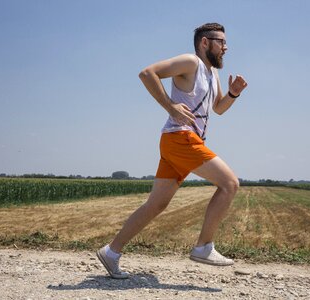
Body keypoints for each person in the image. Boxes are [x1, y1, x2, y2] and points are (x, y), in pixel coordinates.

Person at [97, 22, 248, 279]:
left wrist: (233, 94)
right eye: (221, 42)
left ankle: (111, 252)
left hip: (177, 142)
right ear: (204, 42)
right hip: (181, 138)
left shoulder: (213, 74)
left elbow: (219, 108)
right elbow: (147, 73)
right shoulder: (191, 62)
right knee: (230, 184)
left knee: (156, 204)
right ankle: (203, 247)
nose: (226, 47)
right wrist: (170, 106)